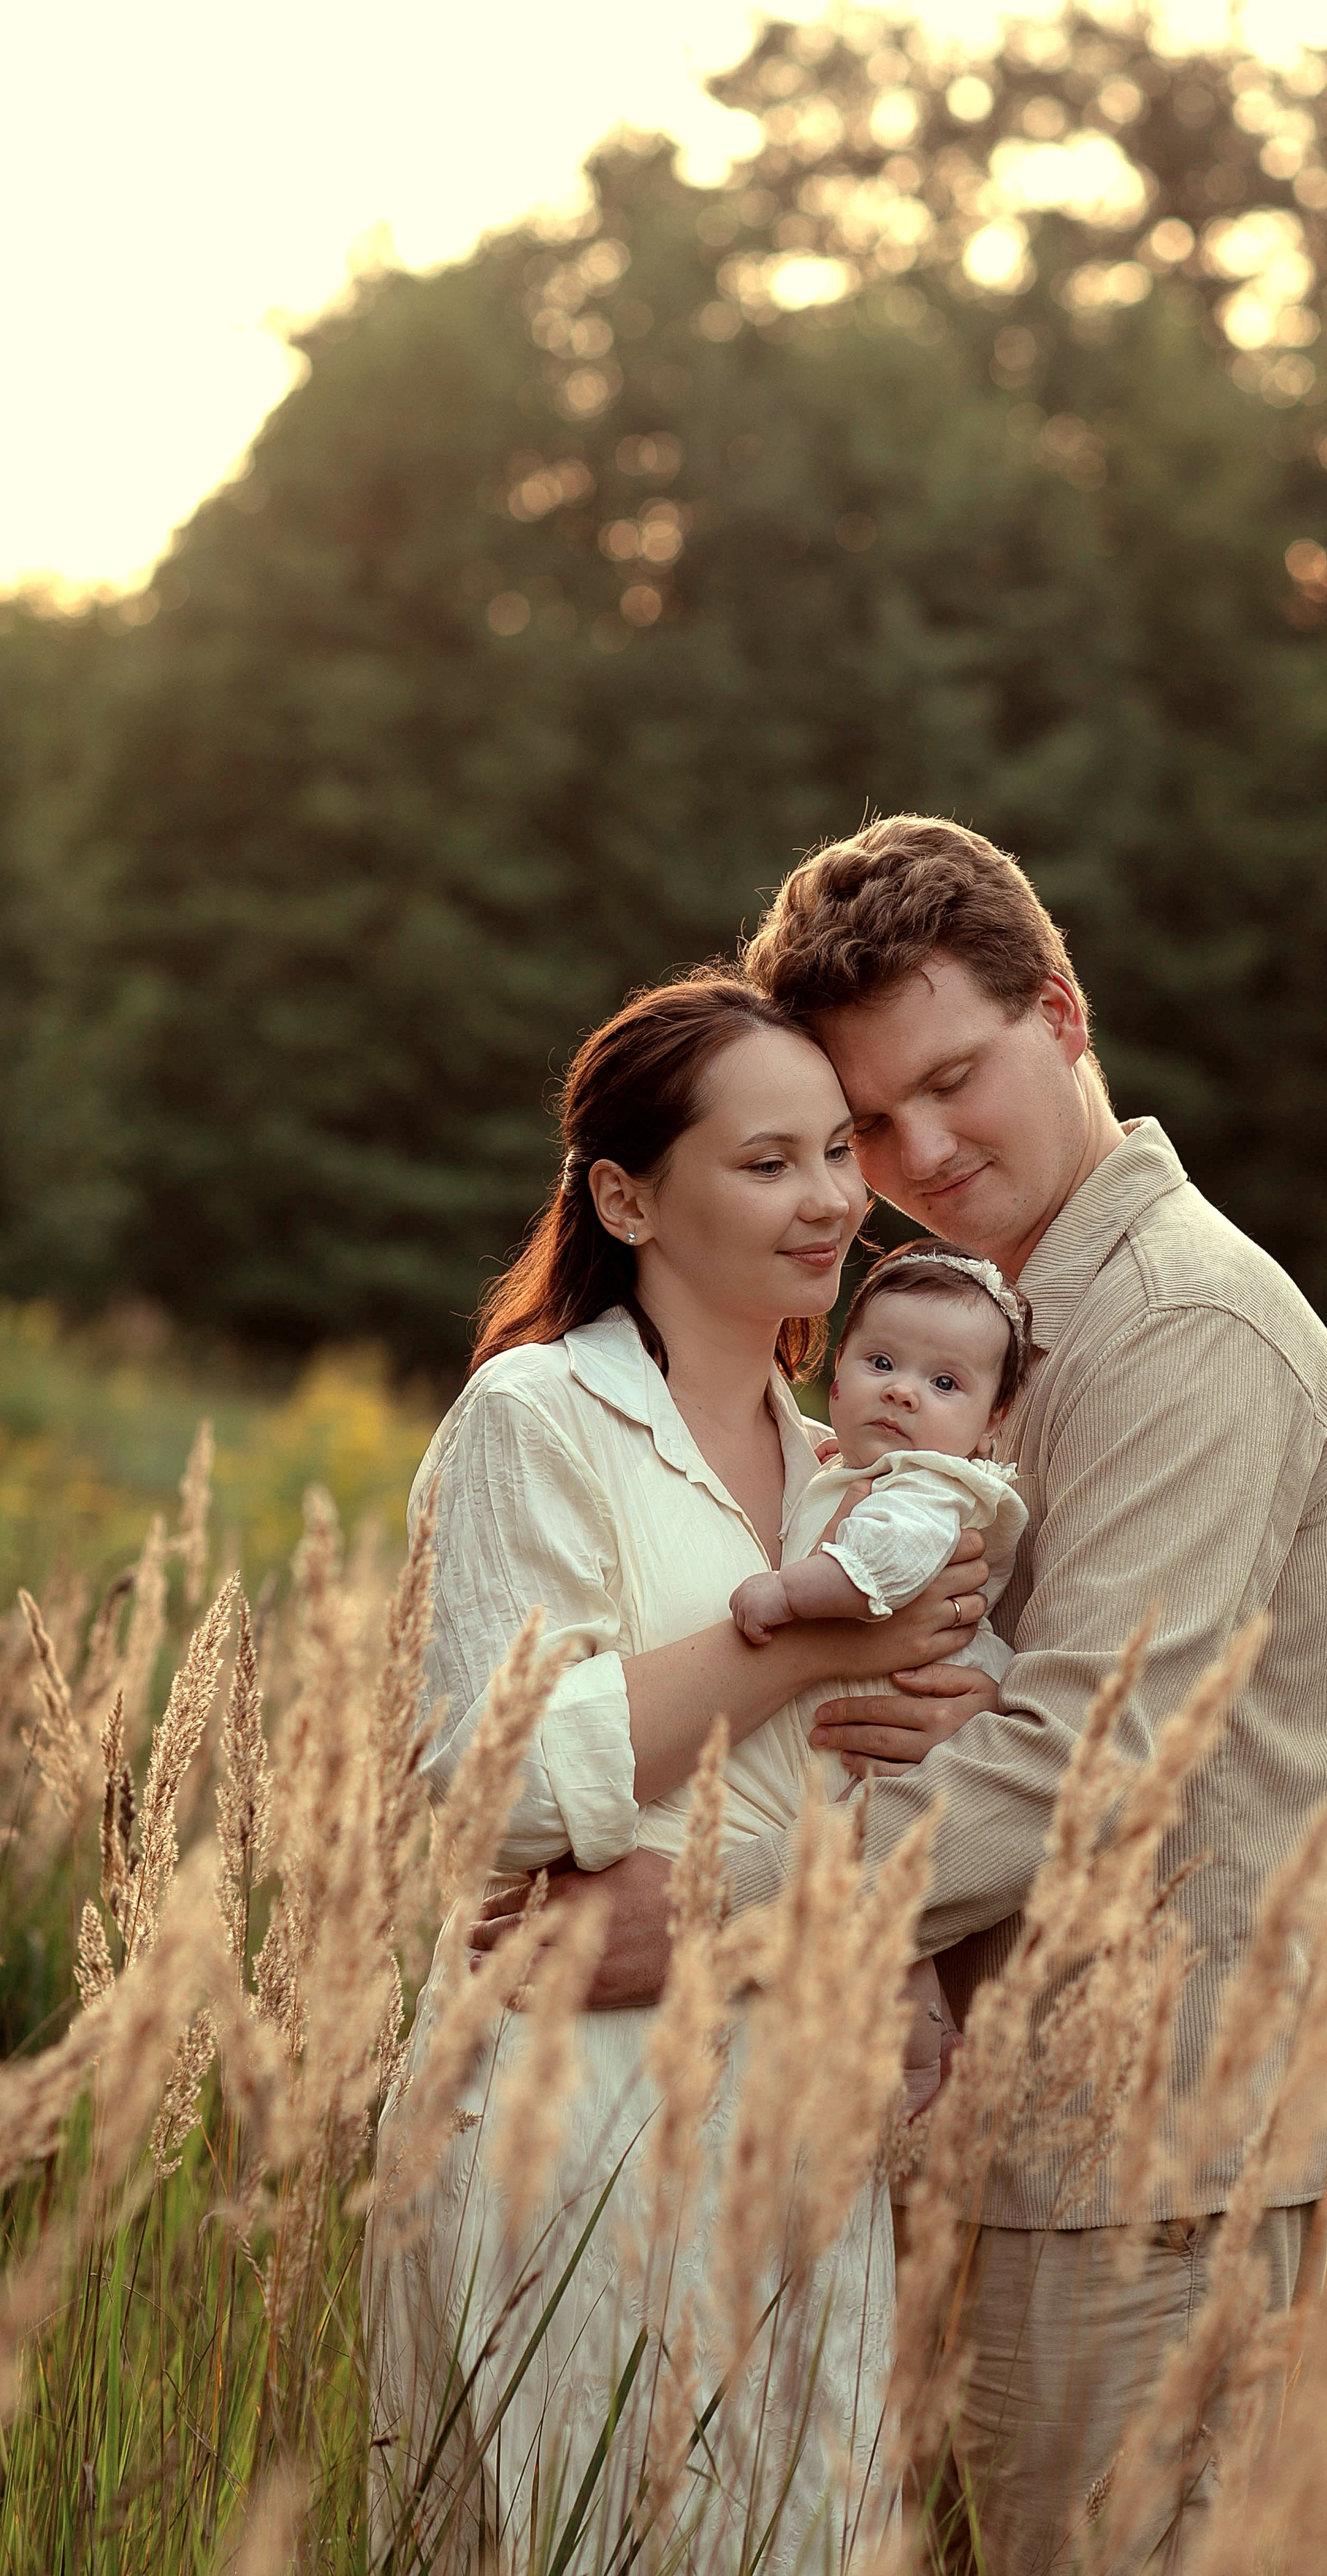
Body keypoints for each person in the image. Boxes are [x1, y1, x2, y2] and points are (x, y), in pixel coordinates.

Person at [478, 819, 1327, 2574]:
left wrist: (716, 1908)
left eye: (953, 1080)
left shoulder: (1183, 1324)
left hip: (1136, 2171)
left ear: (1062, 1009)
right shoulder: (966, 1332)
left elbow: (1087, 1759)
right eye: (871, 1121)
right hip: (979, 2144)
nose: (920, 1152)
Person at [365, 969, 994, 2575]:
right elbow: (485, 1776)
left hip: (795, 2101)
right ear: (627, 1194)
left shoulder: (845, 1470)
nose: (830, 1200)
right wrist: (806, 1651)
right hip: (570, 2107)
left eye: (834, 1154)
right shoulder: (536, 1417)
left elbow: (859, 1807)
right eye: (765, 1161)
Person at [731, 1238, 1034, 2109]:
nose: (905, 1390)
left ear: (990, 1421)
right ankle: (928, 2035)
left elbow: (889, 1565)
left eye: (946, 1384)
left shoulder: (931, 1487)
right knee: (891, 1926)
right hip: (880, 1713)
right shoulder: (851, 1467)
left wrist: (788, 1593)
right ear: (838, 1376)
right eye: (882, 1363)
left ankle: (912, 2065)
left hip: (916, 1711)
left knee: (887, 1904)